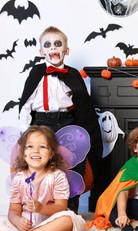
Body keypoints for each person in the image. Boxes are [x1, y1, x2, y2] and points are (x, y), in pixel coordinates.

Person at [18, 26, 103, 213]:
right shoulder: (36, 74)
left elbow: (83, 106)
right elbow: (25, 105)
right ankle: (39, 205)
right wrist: (26, 133)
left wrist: (84, 132)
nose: (53, 48)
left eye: (58, 44)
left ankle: (70, 208)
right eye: (47, 45)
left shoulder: (72, 75)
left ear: (66, 50)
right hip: (41, 123)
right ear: (41, 52)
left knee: (73, 160)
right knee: (41, 161)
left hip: (67, 121)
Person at [0, 125, 92, 231]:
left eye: (42, 147)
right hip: (25, 226)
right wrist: (17, 221)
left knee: (68, 219)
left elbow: (61, 208)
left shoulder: (57, 176)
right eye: (30, 146)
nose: (36, 151)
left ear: (51, 153)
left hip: (50, 223)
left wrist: (42, 208)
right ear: (23, 153)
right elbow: (13, 211)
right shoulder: (18, 178)